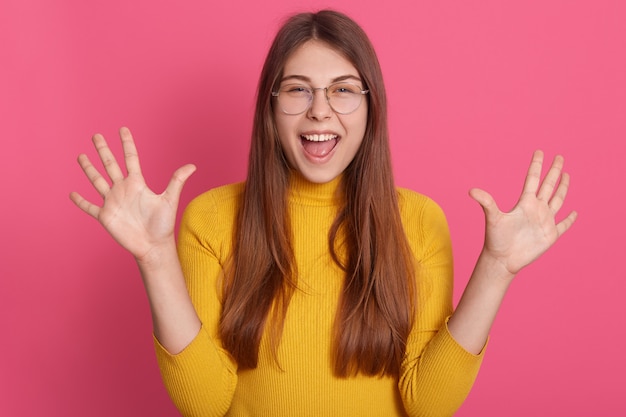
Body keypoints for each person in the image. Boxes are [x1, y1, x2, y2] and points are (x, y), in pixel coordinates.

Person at [70, 10, 577, 417]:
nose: (319, 110)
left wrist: (496, 268)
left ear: (370, 107)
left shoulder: (419, 222)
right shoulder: (211, 218)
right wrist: (156, 258)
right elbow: (205, 404)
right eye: (297, 89)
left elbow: (428, 402)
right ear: (270, 108)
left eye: (342, 89)